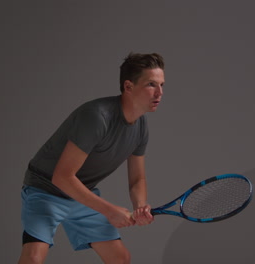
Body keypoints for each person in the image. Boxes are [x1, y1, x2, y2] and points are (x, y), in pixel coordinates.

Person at [17, 52, 165, 264]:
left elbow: (137, 180)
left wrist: (141, 206)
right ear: (129, 87)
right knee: (33, 258)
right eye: (151, 84)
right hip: (44, 190)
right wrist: (109, 210)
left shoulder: (141, 127)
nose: (159, 92)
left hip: (80, 194)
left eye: (162, 85)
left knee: (120, 258)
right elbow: (62, 177)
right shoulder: (97, 116)